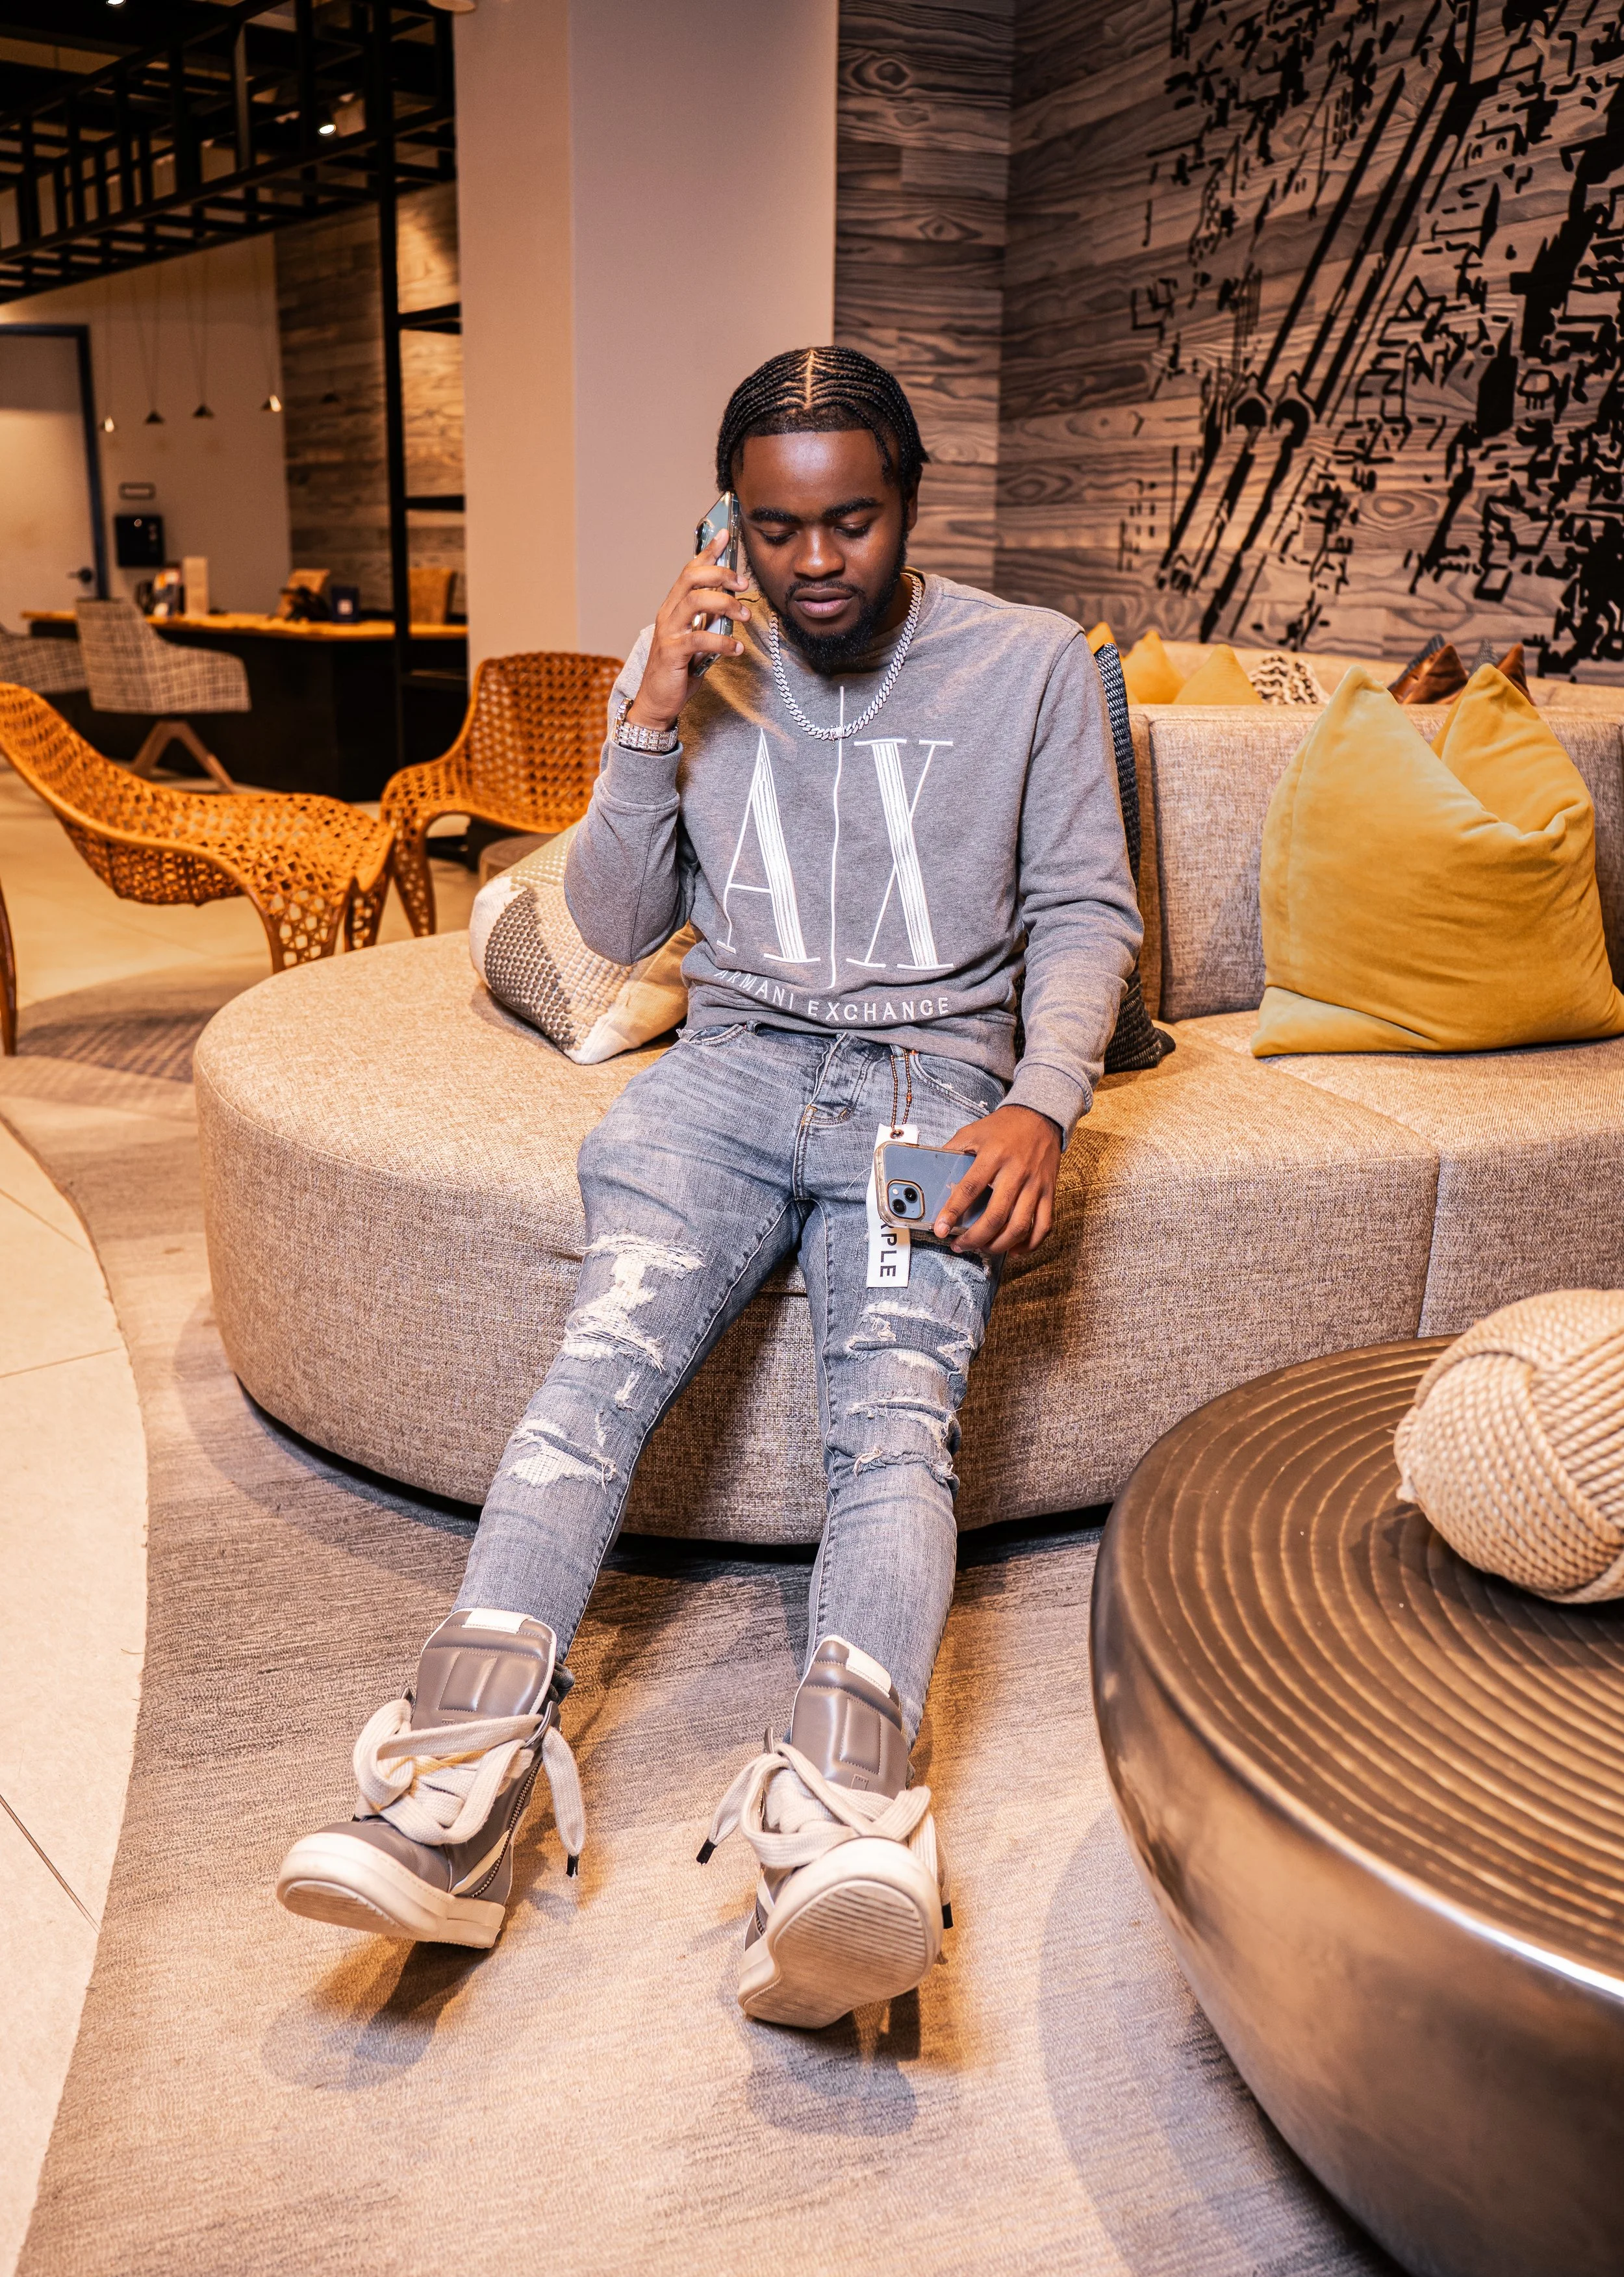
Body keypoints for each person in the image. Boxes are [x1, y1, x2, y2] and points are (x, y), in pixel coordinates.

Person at [277, 346, 1142, 2030]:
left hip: (928, 1093)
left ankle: (848, 1813)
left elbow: (1085, 914)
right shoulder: (698, 659)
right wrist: (649, 715)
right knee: (588, 1380)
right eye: (773, 528)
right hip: (728, 1081)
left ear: (908, 503)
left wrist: (1040, 1105)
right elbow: (607, 919)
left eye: (850, 522)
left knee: (892, 1422)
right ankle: (457, 1791)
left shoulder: (1029, 664)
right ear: (726, 519)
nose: (813, 563)